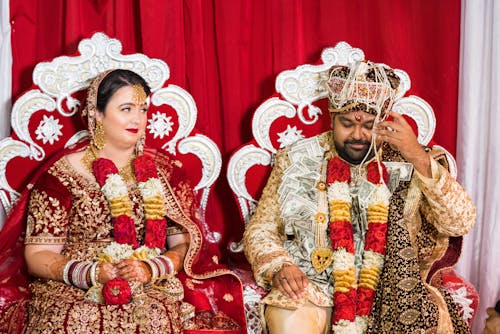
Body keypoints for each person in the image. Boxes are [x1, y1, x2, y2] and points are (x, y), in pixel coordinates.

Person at [0, 69, 243, 333]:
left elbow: (185, 244)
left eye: (143, 109)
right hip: (72, 284)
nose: (137, 119)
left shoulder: (165, 172)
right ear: (96, 114)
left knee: (153, 317)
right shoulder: (61, 176)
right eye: (126, 109)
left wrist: (151, 268)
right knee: (76, 320)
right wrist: (91, 273)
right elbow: (37, 256)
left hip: (146, 280)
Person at [244, 61, 476, 333]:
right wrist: (279, 265)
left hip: (389, 293)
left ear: (384, 123)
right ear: (331, 119)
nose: (357, 135)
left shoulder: (409, 161)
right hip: (310, 287)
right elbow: (262, 228)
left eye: (369, 126)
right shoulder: (298, 159)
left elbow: (460, 222)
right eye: (346, 124)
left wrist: (418, 157)